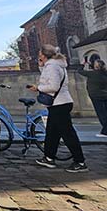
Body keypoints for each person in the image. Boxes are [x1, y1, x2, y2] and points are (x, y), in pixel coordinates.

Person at [30, 44, 87, 172]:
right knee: (52, 133)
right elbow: (48, 77)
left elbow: (54, 86)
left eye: (40, 55)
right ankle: (49, 157)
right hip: (58, 103)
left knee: (68, 134)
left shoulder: (52, 66)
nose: (39, 56)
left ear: (44, 55)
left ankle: (80, 161)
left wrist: (38, 88)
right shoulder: (54, 65)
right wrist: (40, 66)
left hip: (59, 104)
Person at [78, 58, 107, 138]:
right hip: (105, 95)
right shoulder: (104, 73)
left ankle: (105, 131)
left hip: (96, 96)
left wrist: (83, 64)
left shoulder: (92, 74)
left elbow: (80, 71)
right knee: (105, 113)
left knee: (101, 114)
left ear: (96, 66)